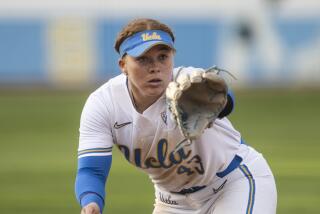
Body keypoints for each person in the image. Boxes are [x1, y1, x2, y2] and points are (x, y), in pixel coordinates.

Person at [75, 18, 277, 214]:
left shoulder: (189, 83)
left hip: (233, 183)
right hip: (172, 202)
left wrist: (219, 104)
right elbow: (92, 170)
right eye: (142, 59)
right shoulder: (103, 105)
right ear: (123, 65)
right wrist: (91, 202)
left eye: (163, 57)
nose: (155, 67)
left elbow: (226, 100)